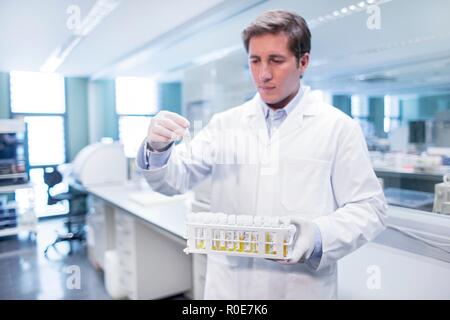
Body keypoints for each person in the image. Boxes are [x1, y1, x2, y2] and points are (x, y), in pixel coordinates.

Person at [136, 10, 387, 299]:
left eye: (276, 60)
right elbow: (173, 180)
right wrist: (157, 148)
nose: (263, 74)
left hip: (300, 288)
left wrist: (316, 236)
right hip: (231, 289)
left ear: (303, 62)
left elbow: (370, 208)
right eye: (255, 61)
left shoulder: (338, 128)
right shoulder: (225, 124)